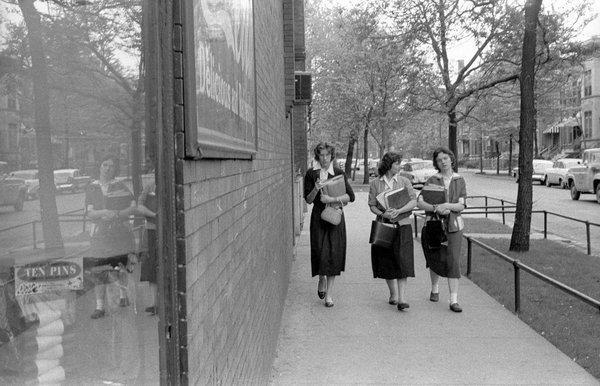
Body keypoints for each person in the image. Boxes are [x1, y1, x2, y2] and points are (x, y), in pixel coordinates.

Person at [84, 155, 137, 319]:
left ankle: (123, 295)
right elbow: (89, 211)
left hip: (118, 231)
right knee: (99, 268)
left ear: (115, 169)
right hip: (100, 233)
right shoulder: (92, 187)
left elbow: (133, 205)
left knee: (120, 265)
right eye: (104, 165)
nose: (107, 168)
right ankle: (100, 306)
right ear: (99, 167)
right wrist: (103, 213)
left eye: (111, 166)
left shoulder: (120, 186)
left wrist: (119, 215)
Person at [304, 142, 355, 307]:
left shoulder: (338, 173)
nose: (324, 158)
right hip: (319, 217)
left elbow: (351, 196)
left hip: (335, 217)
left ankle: (329, 296)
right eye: (321, 155)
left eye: (327, 155)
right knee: (320, 252)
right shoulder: (311, 174)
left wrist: (332, 200)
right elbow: (308, 200)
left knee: (333, 254)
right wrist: (316, 188)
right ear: (317, 156)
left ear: (331, 156)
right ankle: (321, 278)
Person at [417, 147, 467, 313]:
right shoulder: (432, 180)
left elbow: (462, 204)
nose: (443, 162)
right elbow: (420, 202)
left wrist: (447, 206)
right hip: (434, 224)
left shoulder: (459, 180)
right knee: (435, 257)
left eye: (445, 158)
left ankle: (453, 299)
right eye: (439, 160)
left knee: (453, 260)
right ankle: (435, 288)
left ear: (451, 159)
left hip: (454, 226)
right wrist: (436, 208)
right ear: (436, 163)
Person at [368, 152, 417, 311]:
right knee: (386, 259)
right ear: (389, 165)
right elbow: (372, 205)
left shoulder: (404, 181)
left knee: (403, 260)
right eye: (397, 163)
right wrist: (383, 213)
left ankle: (402, 298)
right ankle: (393, 293)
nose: (399, 166)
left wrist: (399, 210)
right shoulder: (376, 183)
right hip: (384, 226)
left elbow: (413, 201)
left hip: (402, 225)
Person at [137, 179, 158, 315]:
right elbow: (140, 206)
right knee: (151, 265)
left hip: (167, 231)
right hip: (151, 231)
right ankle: (154, 303)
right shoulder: (150, 185)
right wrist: (154, 215)